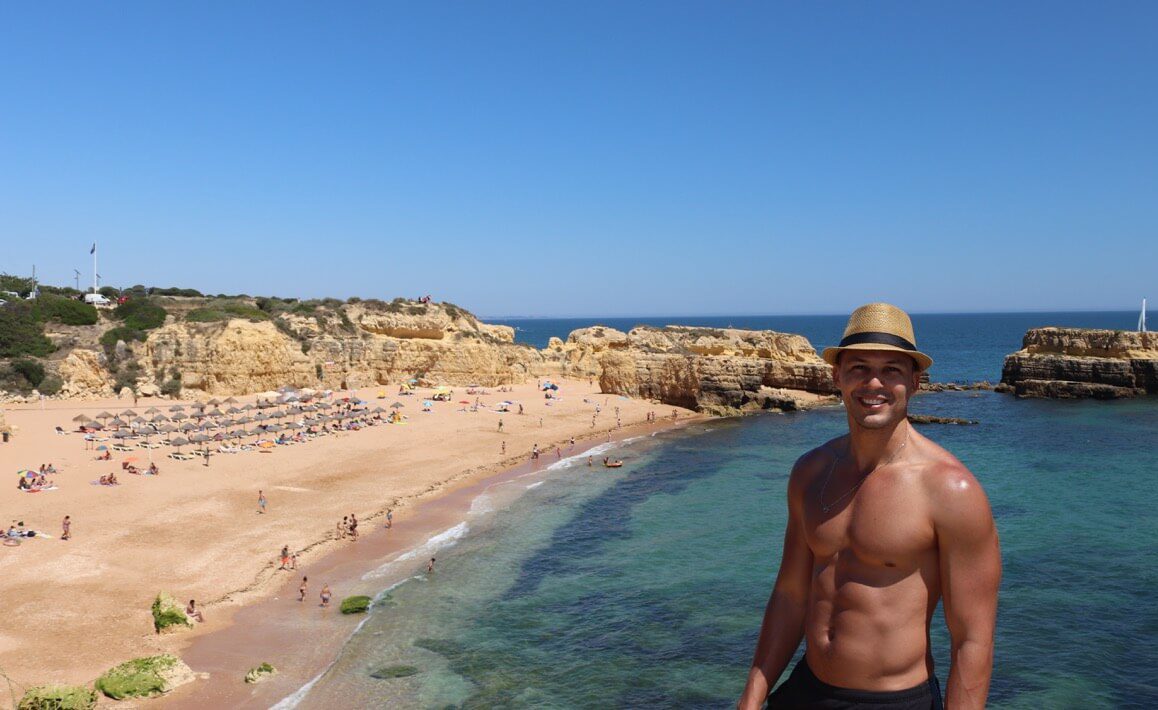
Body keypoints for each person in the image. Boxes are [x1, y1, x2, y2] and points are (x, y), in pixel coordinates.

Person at [738, 303, 1000, 710]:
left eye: (891, 370)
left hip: (893, 702)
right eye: (859, 367)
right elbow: (791, 595)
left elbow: (972, 639)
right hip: (806, 690)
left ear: (915, 382)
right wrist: (752, 699)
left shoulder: (951, 490)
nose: (873, 383)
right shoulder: (810, 472)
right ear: (836, 377)